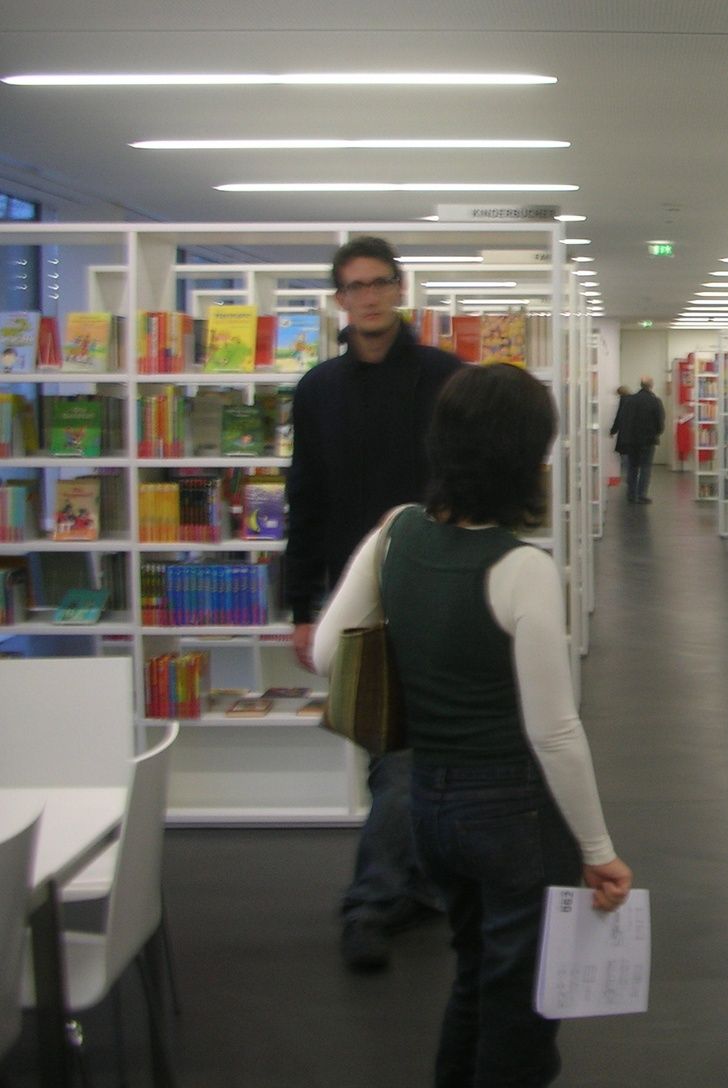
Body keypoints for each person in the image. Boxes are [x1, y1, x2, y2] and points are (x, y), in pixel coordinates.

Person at [313, 363, 631, 1087]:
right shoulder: (522, 569)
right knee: (522, 1006)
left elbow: (330, 652)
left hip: (428, 802)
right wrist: (598, 849)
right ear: (527, 458)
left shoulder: (395, 533)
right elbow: (554, 733)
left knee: (474, 973)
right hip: (511, 812)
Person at [285, 235, 461, 971]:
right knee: (389, 744)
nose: (369, 297)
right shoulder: (318, 389)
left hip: (432, 581)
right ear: (339, 300)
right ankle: (406, 887)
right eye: (355, 286)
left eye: (380, 282)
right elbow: (306, 498)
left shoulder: (448, 378)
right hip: (353, 593)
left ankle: (373, 900)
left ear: (399, 289)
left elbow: (469, 480)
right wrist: (302, 605)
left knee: (403, 750)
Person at [617, 374, 664, 502]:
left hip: (632, 441)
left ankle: (631, 494)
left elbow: (623, 419)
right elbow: (660, 423)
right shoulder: (655, 401)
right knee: (645, 468)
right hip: (648, 441)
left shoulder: (630, 400)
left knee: (632, 467)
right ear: (651, 385)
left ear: (641, 385)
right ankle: (641, 494)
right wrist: (656, 433)